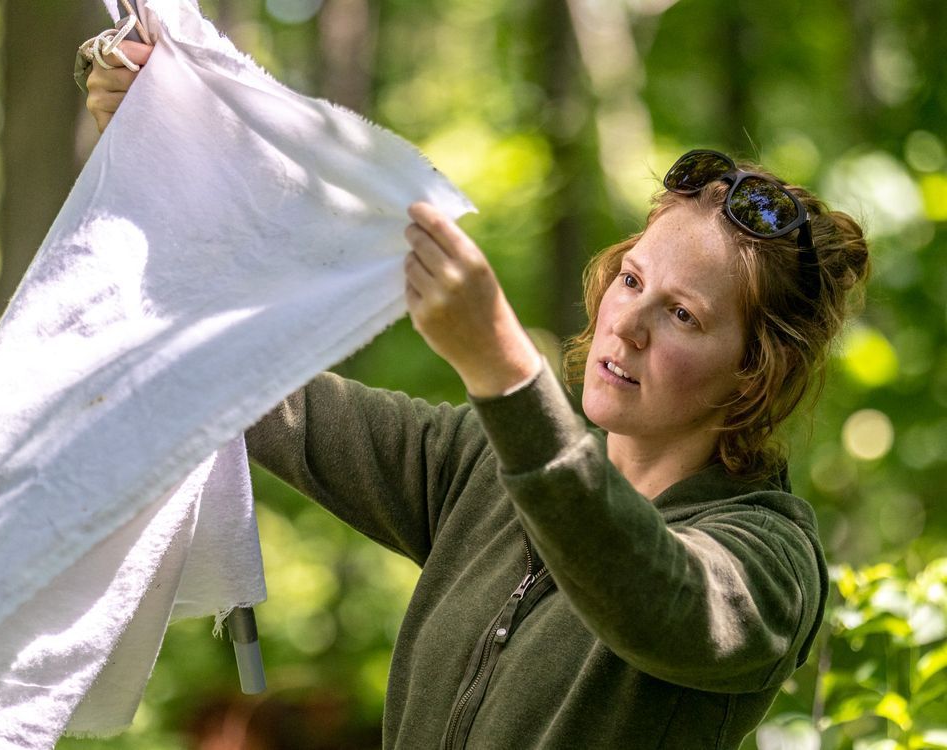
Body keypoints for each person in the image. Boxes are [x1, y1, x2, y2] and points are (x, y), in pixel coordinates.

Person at [83, 38, 870, 749]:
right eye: (632, 279)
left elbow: (649, 588)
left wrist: (503, 370)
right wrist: (176, 151)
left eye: (683, 316)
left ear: (753, 373)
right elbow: (269, 394)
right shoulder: (485, 463)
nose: (626, 325)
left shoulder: (769, 559)